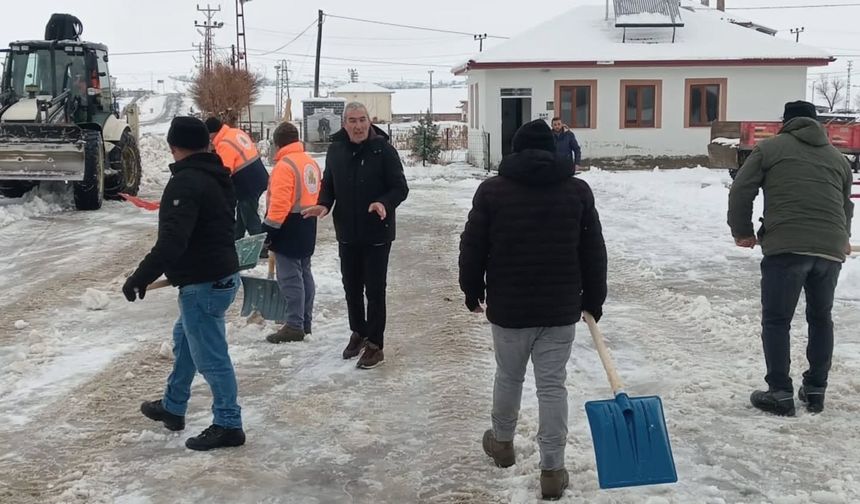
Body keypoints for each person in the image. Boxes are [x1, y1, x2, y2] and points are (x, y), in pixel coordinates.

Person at [459, 119, 607, 500]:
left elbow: (473, 245)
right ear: (553, 149)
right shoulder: (577, 191)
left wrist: (472, 290)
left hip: (509, 308)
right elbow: (593, 250)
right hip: (559, 309)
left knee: (509, 376)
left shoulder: (492, 191)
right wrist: (593, 299)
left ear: (515, 150)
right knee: (552, 386)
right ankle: (552, 470)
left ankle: (502, 443)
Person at [122, 116, 246, 451]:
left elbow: (173, 241)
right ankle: (173, 406)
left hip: (203, 283)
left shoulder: (187, 182)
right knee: (186, 342)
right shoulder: (217, 174)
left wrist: (140, 277)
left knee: (211, 358)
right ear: (206, 143)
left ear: (173, 147)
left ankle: (229, 424)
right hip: (220, 275)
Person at [728, 100, 854, 417]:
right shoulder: (838, 159)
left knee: (777, 320)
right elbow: (846, 206)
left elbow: (742, 189)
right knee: (821, 318)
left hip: (786, 246)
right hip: (829, 249)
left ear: (786, 122)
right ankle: (815, 389)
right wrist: (843, 239)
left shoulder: (770, 149)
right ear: (817, 123)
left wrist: (742, 231)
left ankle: (780, 392)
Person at [302, 102, 409, 369]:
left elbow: (400, 188)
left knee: (374, 289)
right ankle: (358, 331)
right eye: (353, 120)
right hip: (347, 231)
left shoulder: (384, 150)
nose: (358, 126)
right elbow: (329, 183)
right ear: (344, 124)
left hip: (377, 232)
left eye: (362, 120)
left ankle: (375, 345)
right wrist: (324, 204)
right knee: (351, 287)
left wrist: (384, 202)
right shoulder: (336, 150)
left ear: (369, 122)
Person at [261, 122, 322, 344]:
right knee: (304, 273)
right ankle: (305, 321)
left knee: (289, 278)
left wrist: (268, 230)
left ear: (277, 144)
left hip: (288, 225)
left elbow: (280, 204)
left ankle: (294, 325)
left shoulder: (285, 166)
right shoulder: (309, 163)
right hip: (307, 222)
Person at [205, 117, 270, 240]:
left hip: (247, 184)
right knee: (242, 212)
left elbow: (224, 172)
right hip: (258, 176)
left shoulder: (224, 144)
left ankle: (261, 244)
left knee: (249, 217)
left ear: (213, 132)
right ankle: (236, 239)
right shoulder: (235, 132)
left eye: (209, 135)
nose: (209, 139)